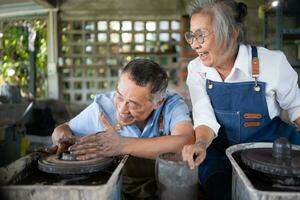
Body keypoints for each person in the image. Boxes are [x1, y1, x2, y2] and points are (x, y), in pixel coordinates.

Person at [181, 0, 300, 199]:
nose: (194, 44)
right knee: (220, 190)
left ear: (232, 33)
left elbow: (297, 108)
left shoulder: (271, 63)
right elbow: (204, 116)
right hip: (221, 154)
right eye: (191, 36)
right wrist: (200, 144)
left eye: (201, 35)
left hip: (271, 153)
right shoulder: (197, 69)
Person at [52, 58, 194, 199]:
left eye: (133, 104)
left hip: (165, 190)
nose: (121, 109)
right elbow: (62, 129)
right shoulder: (103, 107)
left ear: (158, 102)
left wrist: (121, 145)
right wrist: (63, 139)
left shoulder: (171, 105)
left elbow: (186, 142)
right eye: (119, 96)